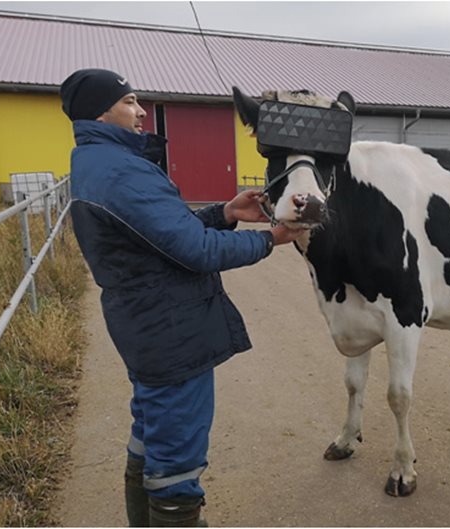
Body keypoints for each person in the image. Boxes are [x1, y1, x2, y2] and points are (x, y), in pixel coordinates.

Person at [60, 68, 305, 527]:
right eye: (130, 101)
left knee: (151, 435)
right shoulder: (121, 171)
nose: (141, 110)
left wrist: (226, 212)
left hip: (146, 323)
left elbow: (163, 234)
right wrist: (271, 238)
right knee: (177, 461)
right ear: (101, 111)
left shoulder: (100, 163)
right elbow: (197, 250)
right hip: (169, 330)